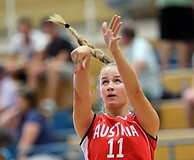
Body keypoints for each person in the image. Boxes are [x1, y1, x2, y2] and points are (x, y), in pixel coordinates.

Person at [70, 15, 159, 159]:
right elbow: (80, 96)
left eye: (117, 81)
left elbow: (136, 92)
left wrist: (115, 51)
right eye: (105, 82)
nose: (110, 86)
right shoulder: (90, 126)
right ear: (99, 91)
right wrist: (82, 61)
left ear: (127, 86)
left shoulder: (145, 122)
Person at [0, 87, 54, 160]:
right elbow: (0, 124)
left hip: (44, 155)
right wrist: (14, 109)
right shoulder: (21, 116)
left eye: (21, 101)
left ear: (29, 102)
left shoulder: (33, 117)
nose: (18, 103)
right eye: (17, 100)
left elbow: (25, 146)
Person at [120, 21, 163, 103]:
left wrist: (126, 83)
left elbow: (139, 64)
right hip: (139, 88)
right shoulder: (129, 48)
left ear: (125, 36)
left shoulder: (140, 44)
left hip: (149, 89)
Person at [40, 19, 74, 110]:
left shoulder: (63, 40)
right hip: (54, 68)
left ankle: (50, 102)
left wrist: (47, 64)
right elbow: (42, 59)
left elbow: (62, 58)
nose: (47, 30)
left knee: (53, 69)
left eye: (49, 27)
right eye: (45, 28)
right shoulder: (49, 43)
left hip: (70, 69)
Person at [156, 0, 194, 69]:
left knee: (166, 40)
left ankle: (164, 70)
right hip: (183, 5)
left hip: (165, 5)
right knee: (182, 40)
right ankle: (181, 71)